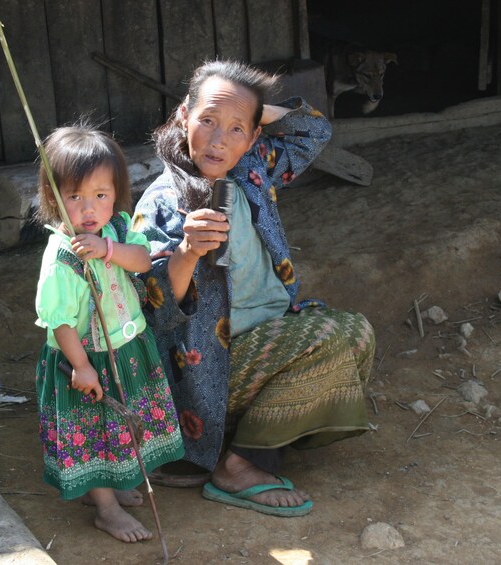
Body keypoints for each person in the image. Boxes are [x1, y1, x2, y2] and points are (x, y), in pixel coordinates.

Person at [132, 60, 375, 517]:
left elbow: (312, 131)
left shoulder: (252, 168)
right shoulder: (166, 200)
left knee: (358, 334)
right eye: (206, 121)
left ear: (253, 137)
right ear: (183, 116)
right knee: (328, 339)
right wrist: (185, 253)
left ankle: (251, 431)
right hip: (208, 369)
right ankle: (238, 466)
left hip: (264, 337)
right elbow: (149, 309)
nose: (218, 141)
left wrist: (251, 109)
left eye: (235, 129)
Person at [34, 125, 185, 541]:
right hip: (85, 362)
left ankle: (112, 485)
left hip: (127, 349)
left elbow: (141, 261)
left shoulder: (116, 227)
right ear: (53, 198)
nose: (88, 208)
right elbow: (60, 322)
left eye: (100, 195)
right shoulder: (62, 257)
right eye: (74, 196)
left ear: (116, 194)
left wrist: (109, 250)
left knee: (117, 426)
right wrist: (81, 367)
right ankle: (104, 507)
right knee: (93, 431)